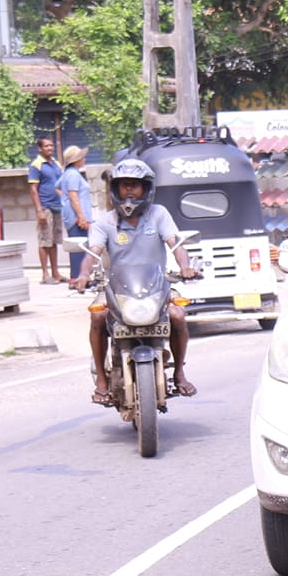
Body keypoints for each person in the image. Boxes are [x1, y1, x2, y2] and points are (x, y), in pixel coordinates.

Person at [73, 157, 200, 402]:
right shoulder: (104, 222)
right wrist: (83, 274)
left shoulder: (158, 215)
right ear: (115, 189)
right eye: (124, 185)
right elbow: (93, 252)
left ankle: (180, 373)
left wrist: (185, 266)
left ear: (146, 188)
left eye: (135, 184)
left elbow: (176, 244)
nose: (129, 189)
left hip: (156, 285)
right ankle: (101, 378)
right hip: (116, 286)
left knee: (178, 315)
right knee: (97, 316)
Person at [28, 137, 67, 284]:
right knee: (45, 241)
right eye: (46, 146)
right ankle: (45, 274)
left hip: (57, 206)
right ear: (40, 149)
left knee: (54, 241)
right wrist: (39, 210)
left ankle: (56, 273)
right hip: (45, 207)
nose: (50, 148)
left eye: (51, 146)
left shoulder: (56, 164)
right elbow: (33, 189)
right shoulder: (36, 165)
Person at [59, 146, 96, 289]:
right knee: (79, 247)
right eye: (82, 157)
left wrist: (65, 203)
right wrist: (81, 216)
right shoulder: (73, 174)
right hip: (76, 217)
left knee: (79, 246)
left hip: (72, 215)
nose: (84, 159)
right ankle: (77, 278)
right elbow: (73, 195)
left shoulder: (68, 173)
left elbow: (59, 188)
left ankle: (78, 277)